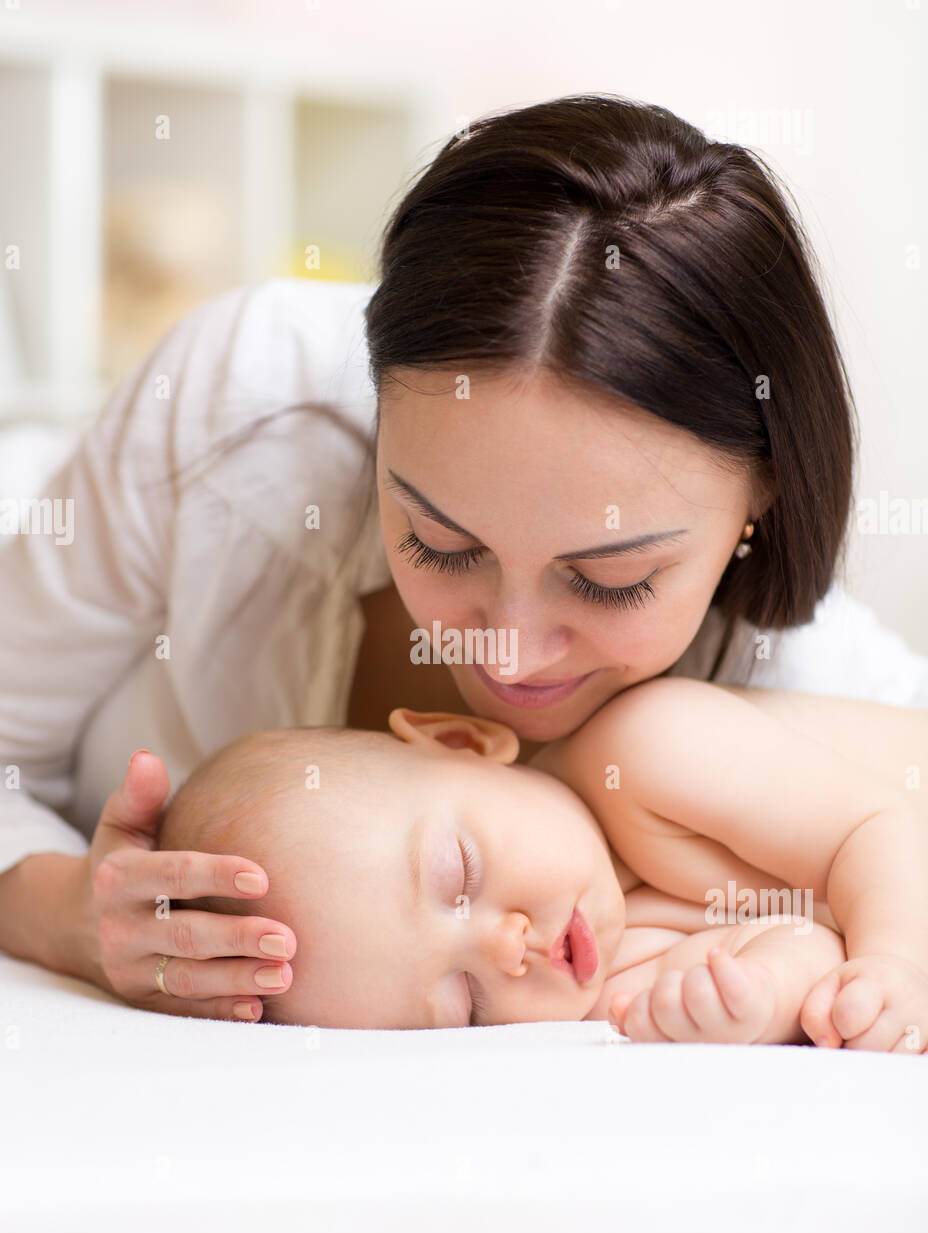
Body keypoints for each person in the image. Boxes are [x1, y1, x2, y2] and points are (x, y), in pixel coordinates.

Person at [1, 94, 926, 1022]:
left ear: (754, 511)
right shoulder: (240, 414)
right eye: (440, 544)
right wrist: (63, 914)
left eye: (612, 578)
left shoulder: (776, 697)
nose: (508, 656)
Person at [152, 677, 928, 1052]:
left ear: (464, 744)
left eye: (460, 874)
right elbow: (809, 945)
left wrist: (894, 962)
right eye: (465, 1003)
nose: (504, 949)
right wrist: (755, 1003)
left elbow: (876, 829)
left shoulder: (649, 751)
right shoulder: (601, 994)